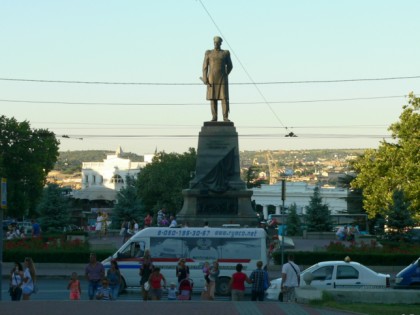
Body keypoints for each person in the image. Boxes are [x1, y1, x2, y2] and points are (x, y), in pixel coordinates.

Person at [202, 36, 233, 122]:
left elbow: (230, 66)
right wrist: (205, 78)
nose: (216, 44)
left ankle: (225, 117)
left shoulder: (225, 53)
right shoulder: (209, 53)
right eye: (215, 42)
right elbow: (205, 67)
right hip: (211, 78)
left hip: (222, 78)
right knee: (213, 98)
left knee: (224, 98)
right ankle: (214, 117)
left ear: (220, 43)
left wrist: (226, 74)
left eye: (217, 42)